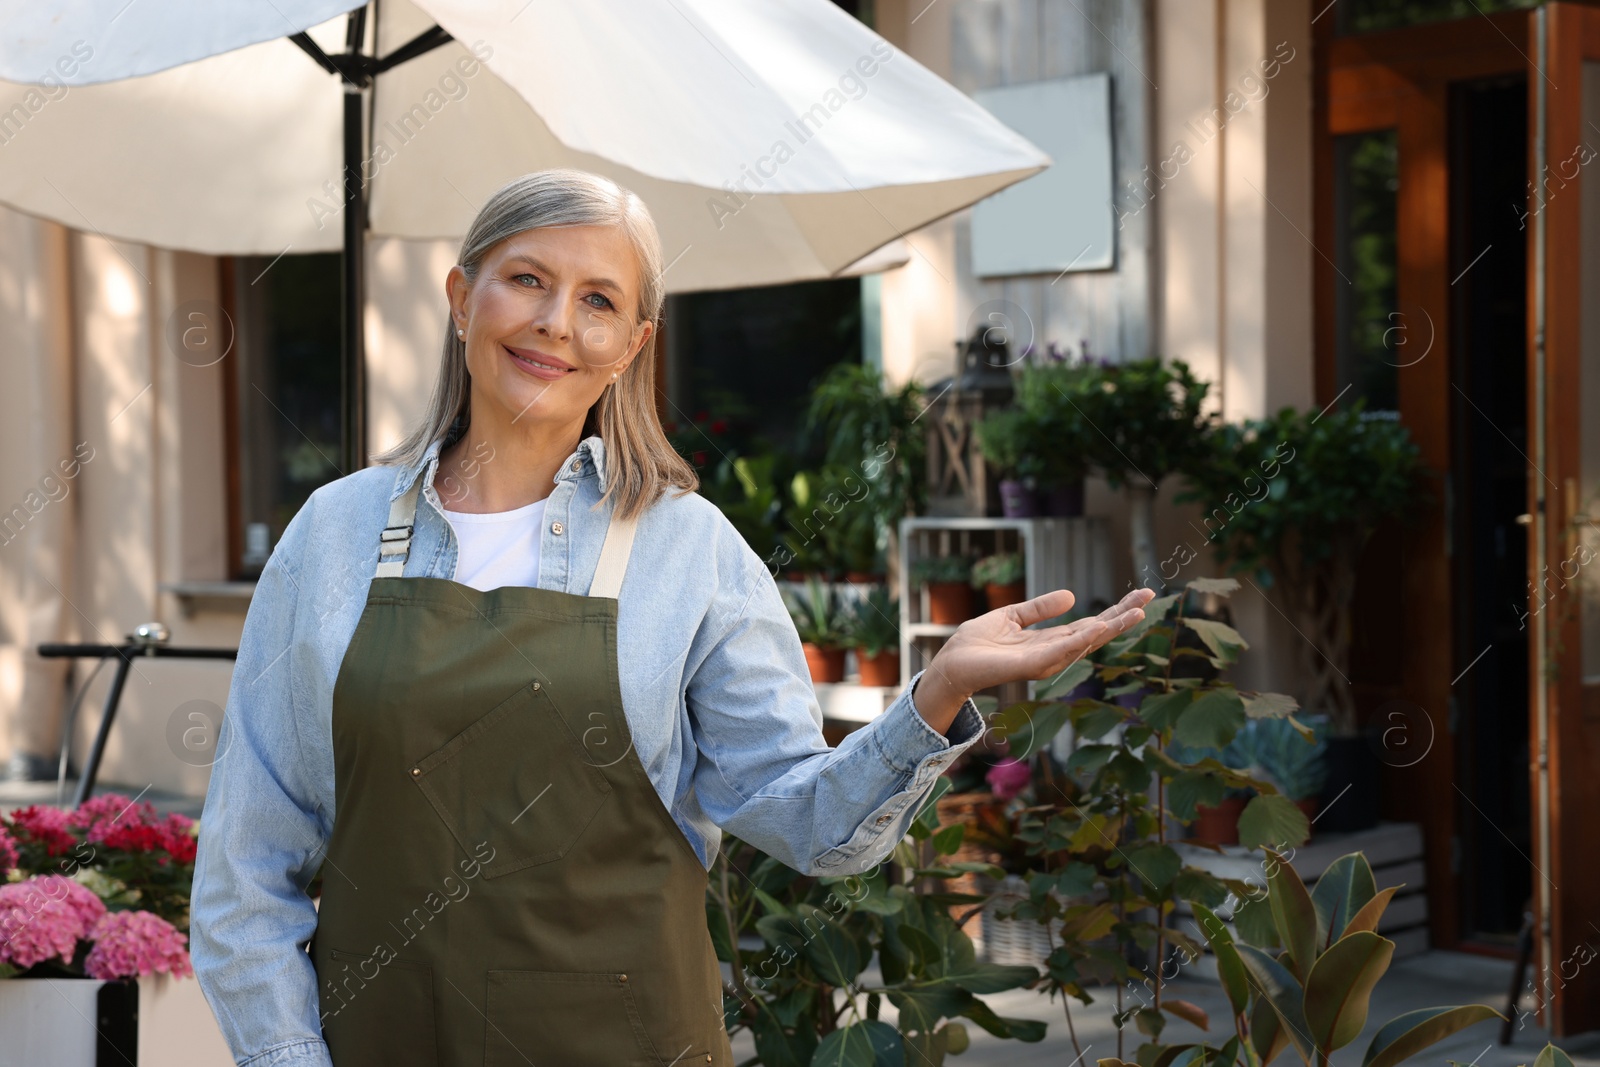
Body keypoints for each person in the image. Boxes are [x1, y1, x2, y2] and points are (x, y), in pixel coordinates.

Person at [188, 168, 1153, 1067]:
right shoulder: (334, 533)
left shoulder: (689, 551)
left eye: (599, 300)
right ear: (459, 296)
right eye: (526, 279)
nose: (556, 323)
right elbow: (247, 868)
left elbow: (814, 825)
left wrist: (935, 690)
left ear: (633, 347)